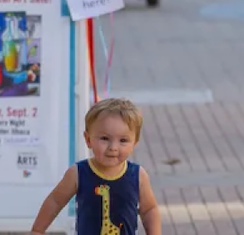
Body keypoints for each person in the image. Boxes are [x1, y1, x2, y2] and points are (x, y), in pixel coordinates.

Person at [30, 98, 162, 235]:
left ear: (134, 143)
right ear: (88, 140)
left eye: (123, 140)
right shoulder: (78, 173)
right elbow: (55, 201)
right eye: (104, 139)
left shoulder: (138, 175)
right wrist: (37, 230)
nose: (113, 148)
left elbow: (149, 209)